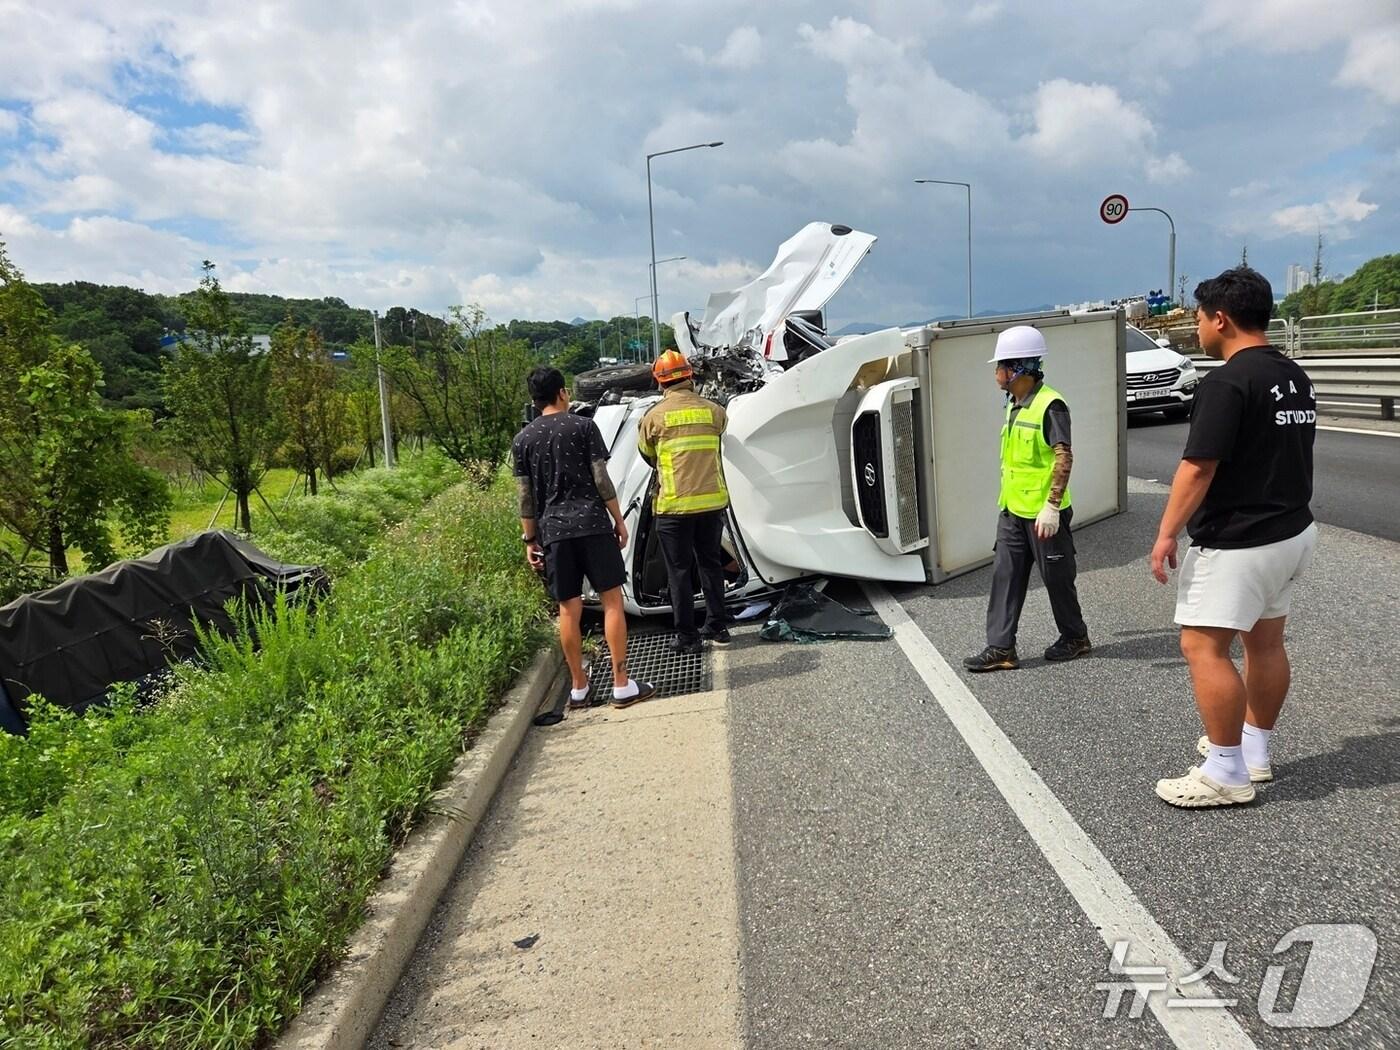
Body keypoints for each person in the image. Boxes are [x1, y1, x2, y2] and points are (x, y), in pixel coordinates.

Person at [1151, 267, 1317, 809]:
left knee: (1202, 645)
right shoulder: (1292, 374)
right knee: (1265, 642)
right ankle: (1254, 749)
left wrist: (1166, 533)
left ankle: (1225, 770)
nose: (1196, 327)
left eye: (1198, 317)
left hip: (1240, 540)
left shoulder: (1227, 381)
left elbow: (1198, 468)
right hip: (1291, 531)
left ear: (1220, 318)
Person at [512, 367, 654, 710]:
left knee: (568, 609)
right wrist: (618, 520)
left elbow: (525, 497)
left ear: (534, 400)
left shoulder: (523, 440)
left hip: (554, 533)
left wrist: (530, 540)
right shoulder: (583, 426)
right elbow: (601, 479)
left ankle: (579, 689)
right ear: (562, 393)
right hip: (592, 524)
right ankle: (622, 684)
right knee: (611, 602)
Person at [964, 325, 1091, 673]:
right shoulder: (1013, 403)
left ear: (1018, 368)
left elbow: (1063, 456)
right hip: (1012, 511)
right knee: (1005, 576)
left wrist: (1052, 505)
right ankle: (1001, 647)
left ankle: (1075, 637)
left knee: (1057, 579)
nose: (995, 373)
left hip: (1044, 514)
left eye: (1000, 366)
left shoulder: (1051, 405)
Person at [638, 349, 731, 654]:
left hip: (674, 508)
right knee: (711, 564)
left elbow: (648, 455)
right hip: (712, 503)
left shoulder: (653, 418)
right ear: (690, 376)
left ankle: (687, 637)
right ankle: (718, 626)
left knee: (678, 571)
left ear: (659, 381)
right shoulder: (715, 411)